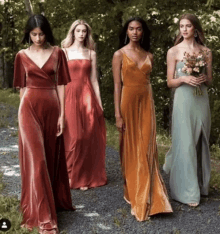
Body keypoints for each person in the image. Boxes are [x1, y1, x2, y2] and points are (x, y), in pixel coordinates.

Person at [13, 14, 74, 234]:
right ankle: (45, 218)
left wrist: (62, 115)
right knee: (37, 160)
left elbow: (61, 85)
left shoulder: (58, 53)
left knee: (49, 156)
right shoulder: (21, 55)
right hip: (28, 109)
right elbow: (21, 88)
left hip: (51, 108)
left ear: (47, 33)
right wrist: (22, 119)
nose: (38, 38)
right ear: (28, 34)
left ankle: (52, 202)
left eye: (41, 34)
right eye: (34, 34)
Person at [112, 17, 173, 221]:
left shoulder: (150, 56)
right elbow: (117, 86)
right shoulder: (119, 54)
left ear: (143, 32)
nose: (135, 32)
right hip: (127, 102)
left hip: (147, 102)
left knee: (147, 147)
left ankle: (151, 198)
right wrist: (118, 115)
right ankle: (133, 192)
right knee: (130, 148)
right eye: (131, 29)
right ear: (126, 32)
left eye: (138, 29)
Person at [163, 13, 212, 207]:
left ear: (195, 29)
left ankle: (201, 185)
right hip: (183, 98)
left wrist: (201, 77)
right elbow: (169, 82)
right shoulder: (173, 51)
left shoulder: (206, 51)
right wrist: (184, 78)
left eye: (188, 26)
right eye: (181, 26)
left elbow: (210, 80)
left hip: (201, 98)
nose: (184, 29)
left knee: (201, 139)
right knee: (185, 140)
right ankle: (186, 192)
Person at [61, 20, 107, 190]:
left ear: (87, 34)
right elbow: (60, 80)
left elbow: (94, 80)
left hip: (87, 96)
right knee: (74, 136)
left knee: (87, 137)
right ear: (72, 32)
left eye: (84, 31)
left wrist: (99, 104)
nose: (81, 34)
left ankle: (82, 177)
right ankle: (69, 175)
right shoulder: (63, 52)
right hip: (70, 95)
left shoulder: (91, 54)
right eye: (78, 31)